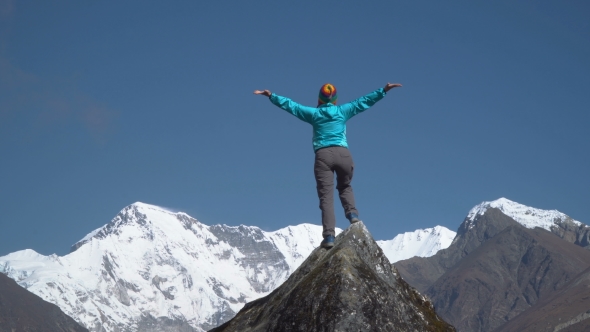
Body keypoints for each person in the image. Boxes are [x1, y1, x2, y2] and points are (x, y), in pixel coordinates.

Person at [253, 82, 402, 248]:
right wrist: (384, 90)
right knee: (345, 186)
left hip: (323, 155)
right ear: (335, 100)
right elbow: (363, 102)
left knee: (326, 198)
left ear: (319, 99)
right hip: (343, 153)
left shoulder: (313, 114)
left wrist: (271, 96)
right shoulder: (343, 111)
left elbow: (292, 106)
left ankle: (329, 236)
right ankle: (352, 214)